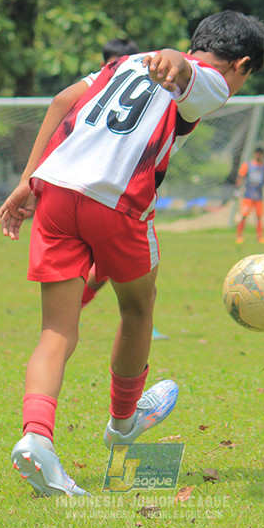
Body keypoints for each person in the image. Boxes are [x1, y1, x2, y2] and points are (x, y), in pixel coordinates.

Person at [0, 11, 264, 495]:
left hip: (56, 190)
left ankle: (36, 438)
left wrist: (25, 181)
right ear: (242, 64)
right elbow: (188, 75)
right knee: (138, 308)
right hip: (116, 202)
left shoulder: (124, 61)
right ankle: (123, 424)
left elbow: (62, 101)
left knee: (56, 330)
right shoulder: (213, 81)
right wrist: (173, 62)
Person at [78, 38, 171, 339]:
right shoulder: (103, 87)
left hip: (88, 195)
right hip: (110, 197)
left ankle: (71, 309)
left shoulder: (103, 87)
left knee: (103, 271)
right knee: (113, 271)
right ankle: (139, 320)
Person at [234, 147, 264, 244]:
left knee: (259, 217)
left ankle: (260, 237)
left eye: (260, 154)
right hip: (248, 196)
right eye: (257, 153)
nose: (258, 156)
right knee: (243, 215)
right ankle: (239, 236)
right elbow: (241, 177)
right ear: (254, 154)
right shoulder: (247, 165)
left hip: (259, 196)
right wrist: (237, 189)